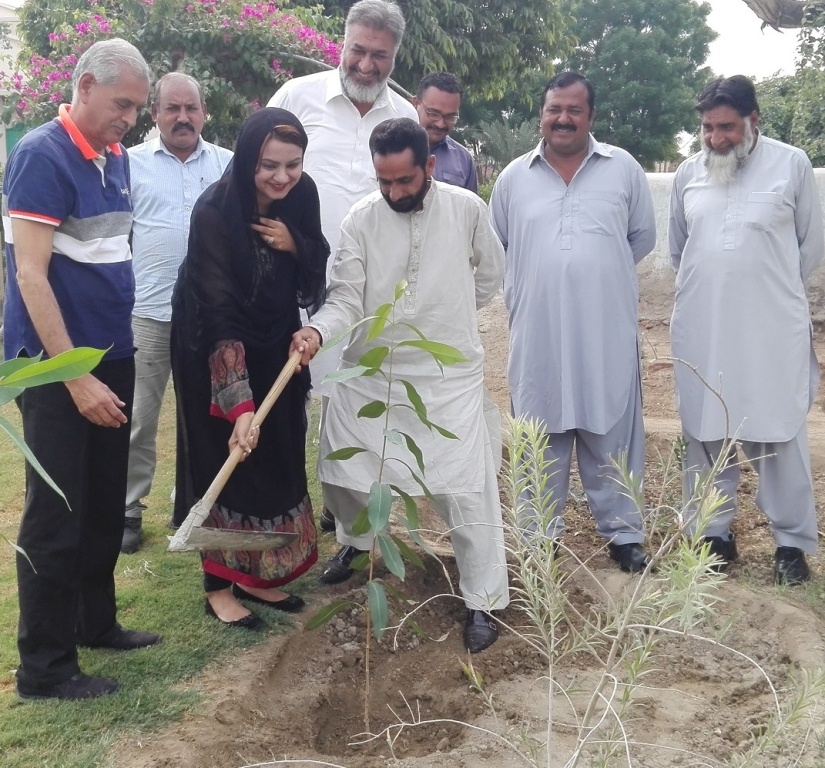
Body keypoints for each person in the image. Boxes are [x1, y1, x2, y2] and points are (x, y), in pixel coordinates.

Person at [291, 117, 509, 653]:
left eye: (404, 181)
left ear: (429, 166)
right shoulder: (361, 219)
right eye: (383, 181)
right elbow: (346, 295)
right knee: (342, 466)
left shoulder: (466, 209)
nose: (393, 193)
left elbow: (489, 275)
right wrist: (318, 331)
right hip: (373, 372)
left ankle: (482, 599)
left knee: (466, 488)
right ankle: (357, 541)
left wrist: (449, 315)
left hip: (446, 376)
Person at [4, 38, 160, 702]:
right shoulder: (42, 154)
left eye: (137, 108)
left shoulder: (114, 158)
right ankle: (44, 667)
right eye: (122, 104)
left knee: (101, 502)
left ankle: (94, 623)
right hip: (54, 369)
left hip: (111, 355)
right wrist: (72, 376)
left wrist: (104, 364)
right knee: (58, 511)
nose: (130, 118)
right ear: (86, 86)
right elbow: (30, 275)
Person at [489, 72, 656, 572]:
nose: (562, 119)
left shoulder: (623, 169)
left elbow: (641, 238)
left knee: (612, 431)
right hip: (537, 332)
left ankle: (624, 535)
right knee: (538, 432)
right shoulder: (513, 178)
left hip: (605, 331)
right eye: (554, 109)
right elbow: (499, 246)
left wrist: (594, 276)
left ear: (591, 117)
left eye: (574, 110)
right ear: (541, 114)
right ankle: (539, 536)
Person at [171, 108, 328, 628]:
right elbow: (217, 313)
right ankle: (218, 587)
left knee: (277, 452)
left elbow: (317, 258)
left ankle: (255, 577)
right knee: (228, 456)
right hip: (211, 346)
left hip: (276, 343)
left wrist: (294, 242)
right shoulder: (214, 211)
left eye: (292, 164)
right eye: (269, 166)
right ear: (246, 161)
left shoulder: (302, 195)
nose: (282, 177)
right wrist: (237, 403)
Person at [268, 0, 417, 533]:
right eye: (358, 51)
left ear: (395, 57)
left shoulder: (405, 116)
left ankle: (343, 510)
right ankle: (281, 505)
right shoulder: (296, 97)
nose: (367, 65)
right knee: (286, 394)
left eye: (381, 56)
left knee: (354, 398)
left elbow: (409, 205)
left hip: (366, 291)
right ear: (342, 43)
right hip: (291, 280)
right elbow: (259, 175)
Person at [668, 75, 824, 585]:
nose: (716, 139)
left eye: (727, 128)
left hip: (769, 328)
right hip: (704, 325)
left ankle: (791, 544)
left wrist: (763, 288)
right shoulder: (688, 173)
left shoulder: (791, 165)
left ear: (754, 121)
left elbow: (809, 246)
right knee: (705, 430)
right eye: (708, 128)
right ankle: (713, 533)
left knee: (778, 430)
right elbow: (680, 250)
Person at [122, 73, 233, 553]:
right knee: (138, 418)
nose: (183, 117)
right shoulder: (129, 164)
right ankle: (128, 509)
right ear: (155, 114)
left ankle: (196, 503)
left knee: (205, 416)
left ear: (204, 112)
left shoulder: (227, 164)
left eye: (191, 108)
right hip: (148, 312)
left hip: (208, 317)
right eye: (173, 108)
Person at [413, 71, 477, 192]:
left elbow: (470, 203)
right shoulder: (391, 149)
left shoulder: (464, 161)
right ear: (416, 104)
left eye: (450, 117)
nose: (440, 124)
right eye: (434, 113)